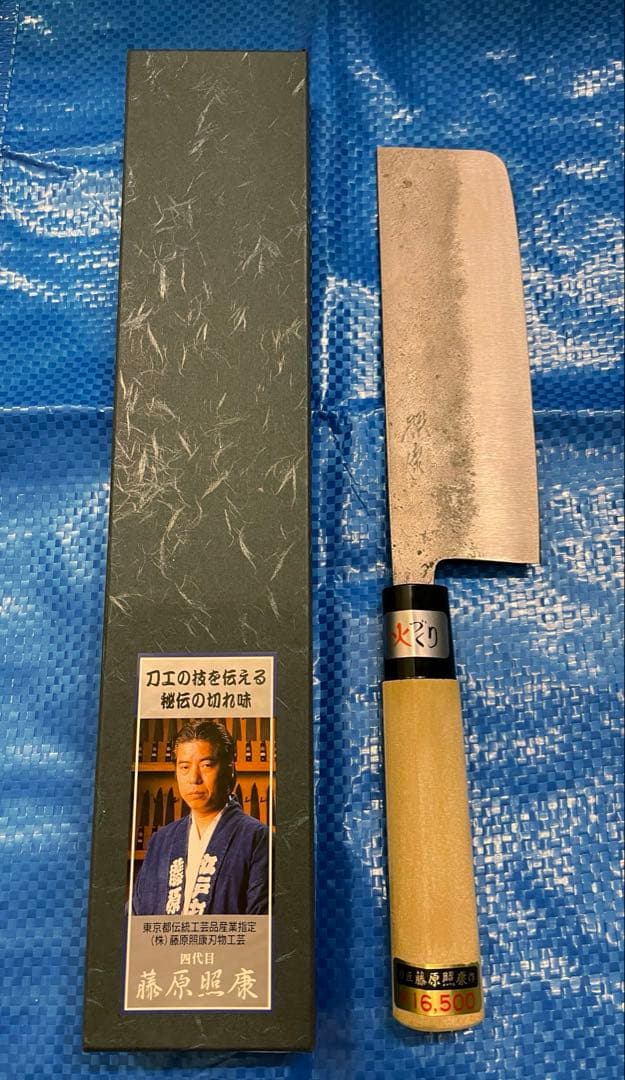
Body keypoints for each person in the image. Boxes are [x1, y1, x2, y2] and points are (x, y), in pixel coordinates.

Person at [132, 718, 269, 916]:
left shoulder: (257, 837)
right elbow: (136, 916)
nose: (194, 778)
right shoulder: (161, 840)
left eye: (206, 765)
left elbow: (261, 924)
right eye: (184, 767)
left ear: (230, 769)